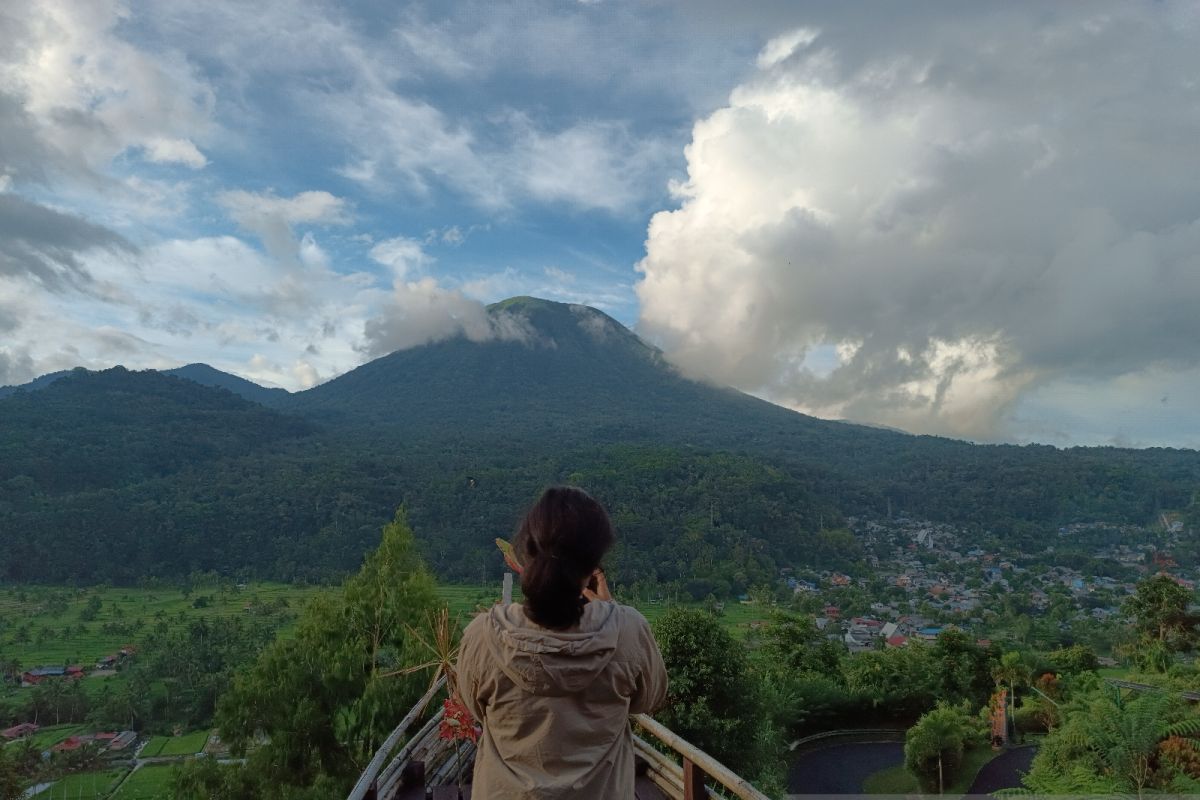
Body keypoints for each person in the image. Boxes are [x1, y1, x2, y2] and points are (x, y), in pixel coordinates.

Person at [456, 486, 668, 799]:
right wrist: (613, 613)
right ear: (593, 567)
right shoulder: (628, 631)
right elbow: (649, 699)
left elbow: (474, 709)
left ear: (527, 551)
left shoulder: (484, 636)